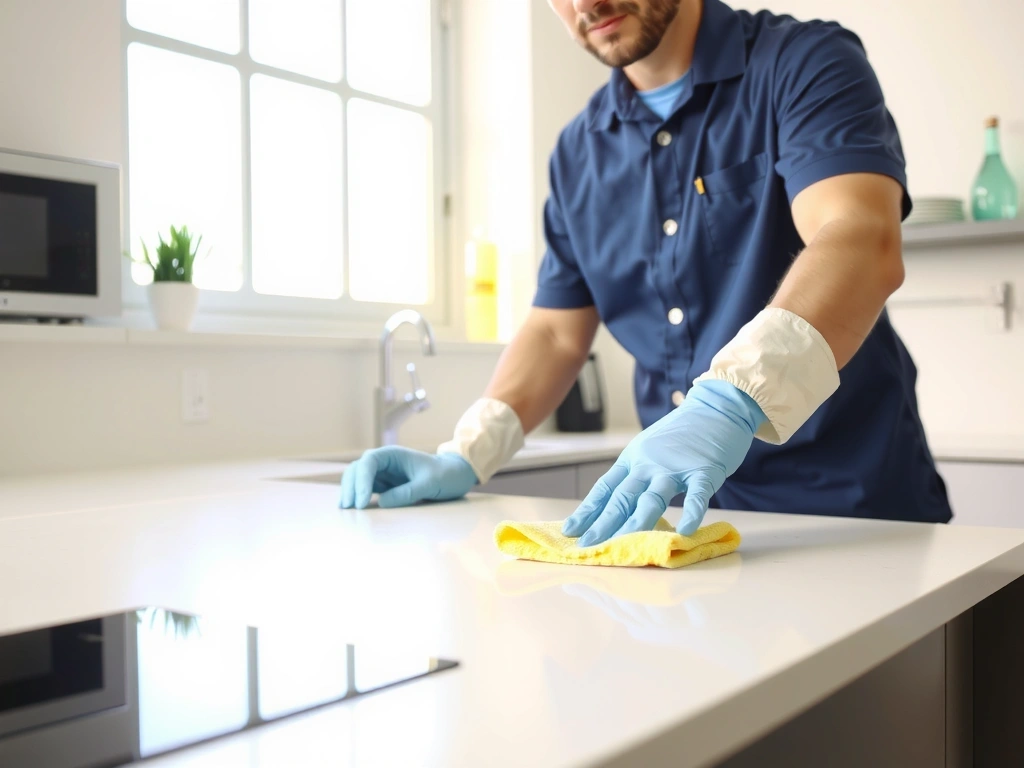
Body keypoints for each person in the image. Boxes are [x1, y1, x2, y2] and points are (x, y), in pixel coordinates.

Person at [340, 0, 952, 546]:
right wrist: (467, 454)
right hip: (687, 527)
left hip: (857, 518)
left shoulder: (804, 63)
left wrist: (730, 404)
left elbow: (860, 238)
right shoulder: (578, 153)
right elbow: (556, 333)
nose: (586, 3)